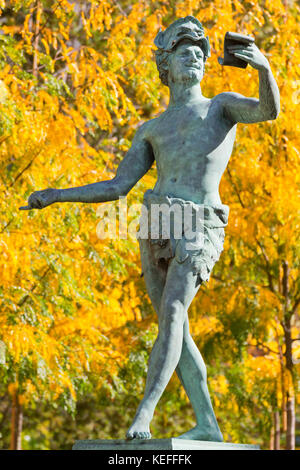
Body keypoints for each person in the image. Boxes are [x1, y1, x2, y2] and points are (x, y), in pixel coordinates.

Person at [20, 16, 280, 441]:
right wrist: (56, 193)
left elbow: (268, 111)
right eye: (184, 52)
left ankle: (144, 414)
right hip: (157, 218)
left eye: (199, 52)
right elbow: (117, 186)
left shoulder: (221, 106)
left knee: (174, 313)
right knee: (172, 325)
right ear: (167, 64)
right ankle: (209, 424)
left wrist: (264, 69)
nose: (194, 57)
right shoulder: (153, 129)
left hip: (199, 221)